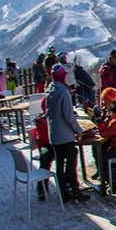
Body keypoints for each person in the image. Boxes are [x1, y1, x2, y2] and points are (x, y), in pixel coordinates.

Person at [45, 63, 89, 204]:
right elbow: (68, 116)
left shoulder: (49, 90)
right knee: (70, 164)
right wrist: (78, 130)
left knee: (59, 163)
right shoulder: (63, 92)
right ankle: (75, 191)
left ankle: (63, 192)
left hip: (54, 134)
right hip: (64, 135)